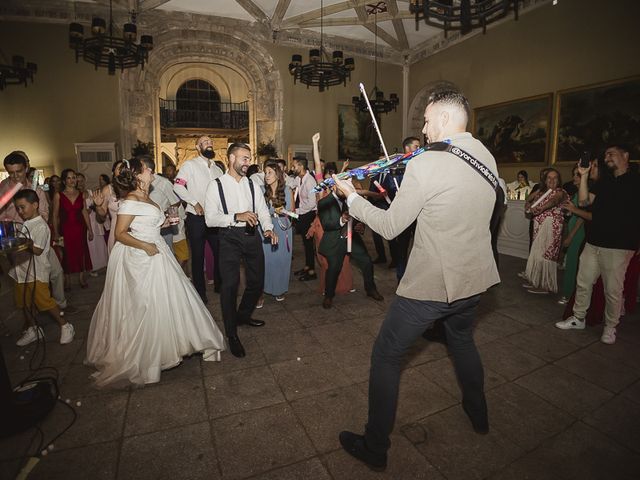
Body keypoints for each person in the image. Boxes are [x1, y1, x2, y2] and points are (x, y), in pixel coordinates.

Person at [333, 89, 500, 470]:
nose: (423, 130)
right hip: (475, 279)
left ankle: (375, 447)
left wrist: (352, 199)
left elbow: (391, 227)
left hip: (434, 283)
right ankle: (479, 413)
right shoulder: (486, 156)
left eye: (425, 120)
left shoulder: (427, 163)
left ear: (442, 119)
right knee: (461, 340)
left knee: (386, 356)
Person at [85, 156, 224, 387]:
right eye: (148, 170)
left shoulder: (146, 197)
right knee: (146, 304)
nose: (152, 172)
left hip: (158, 250)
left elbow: (145, 224)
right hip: (141, 255)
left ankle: (174, 344)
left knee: (170, 299)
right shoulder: (129, 201)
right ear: (138, 175)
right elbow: (120, 233)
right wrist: (145, 245)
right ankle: (148, 354)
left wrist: (164, 224)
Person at [556, 144, 640, 344]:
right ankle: (578, 318)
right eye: (605, 154)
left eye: (611, 153)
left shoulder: (636, 181)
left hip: (620, 246)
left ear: (626, 155)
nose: (607, 156)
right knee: (583, 282)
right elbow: (584, 203)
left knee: (612, 289)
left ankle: (611, 327)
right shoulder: (604, 182)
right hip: (593, 243)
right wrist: (584, 175)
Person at [204, 143, 277, 358]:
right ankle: (231, 334)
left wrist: (269, 228)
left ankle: (243, 315)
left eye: (249, 158)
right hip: (228, 238)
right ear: (231, 159)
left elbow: (263, 211)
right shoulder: (215, 186)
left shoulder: (253, 185)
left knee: (256, 282)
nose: (248, 163)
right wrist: (236, 216)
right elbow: (210, 219)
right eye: (244, 158)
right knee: (230, 285)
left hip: (252, 236)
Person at [0, 152, 71, 313]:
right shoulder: (3, 188)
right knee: (23, 279)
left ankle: (60, 304)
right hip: (17, 239)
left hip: (38, 235)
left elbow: (45, 212)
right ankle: (32, 315)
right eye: (11, 172)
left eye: (18, 171)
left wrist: (35, 224)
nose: (15, 176)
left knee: (56, 272)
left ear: (26, 168)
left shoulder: (36, 188)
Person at [11, 189, 75, 346]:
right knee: (25, 303)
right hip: (21, 271)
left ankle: (65, 325)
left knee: (46, 303)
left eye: (22, 207)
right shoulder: (24, 224)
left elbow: (38, 250)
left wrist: (18, 243)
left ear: (35, 205)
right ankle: (34, 330)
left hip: (36, 272)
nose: (20, 211)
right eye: (17, 208)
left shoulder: (41, 226)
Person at [173, 136, 224, 303]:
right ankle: (200, 293)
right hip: (197, 219)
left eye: (211, 142)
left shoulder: (217, 169)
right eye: (205, 142)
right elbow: (178, 186)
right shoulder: (190, 165)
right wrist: (194, 203)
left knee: (219, 253)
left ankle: (219, 284)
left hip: (214, 218)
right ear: (197, 147)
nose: (209, 144)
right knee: (198, 256)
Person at [316, 185, 384, 309]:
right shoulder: (324, 202)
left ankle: (371, 289)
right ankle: (329, 296)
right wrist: (341, 220)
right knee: (334, 268)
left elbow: (358, 217)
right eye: (341, 187)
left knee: (367, 262)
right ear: (333, 186)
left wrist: (360, 226)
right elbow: (326, 224)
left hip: (351, 238)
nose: (344, 189)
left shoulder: (351, 198)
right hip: (335, 240)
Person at [521, 168, 567, 294]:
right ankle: (536, 281)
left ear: (559, 180)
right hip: (538, 226)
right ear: (545, 180)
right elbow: (528, 202)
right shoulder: (541, 192)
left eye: (555, 178)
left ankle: (545, 285)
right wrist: (528, 206)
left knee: (545, 254)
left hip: (551, 226)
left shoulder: (560, 192)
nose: (552, 180)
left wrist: (541, 208)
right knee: (537, 253)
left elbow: (555, 201)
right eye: (549, 178)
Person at [259, 161, 294, 302]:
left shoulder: (287, 190)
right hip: (266, 228)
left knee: (281, 260)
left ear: (278, 175)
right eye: (265, 173)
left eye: (270, 173)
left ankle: (279, 289)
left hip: (283, 227)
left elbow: (292, 213)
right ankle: (261, 290)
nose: (266, 176)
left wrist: (283, 210)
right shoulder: (260, 190)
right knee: (265, 261)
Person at [52, 168, 93, 289]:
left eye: (74, 177)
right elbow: (55, 215)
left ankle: (81, 278)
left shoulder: (81, 194)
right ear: (64, 181)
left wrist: (90, 229)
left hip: (80, 228)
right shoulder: (58, 195)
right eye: (69, 178)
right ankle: (67, 279)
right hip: (66, 228)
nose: (72, 180)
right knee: (67, 254)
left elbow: (84, 212)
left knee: (81, 252)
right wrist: (56, 232)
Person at [558, 167, 587, 304]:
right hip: (573, 231)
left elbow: (582, 218)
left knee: (573, 263)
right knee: (571, 262)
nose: (574, 177)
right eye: (574, 174)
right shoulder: (577, 193)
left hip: (578, 234)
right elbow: (574, 212)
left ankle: (569, 296)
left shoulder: (585, 195)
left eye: (578, 175)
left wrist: (570, 236)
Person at [145, 155, 181, 251]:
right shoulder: (137, 183)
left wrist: (166, 217)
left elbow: (175, 202)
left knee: (165, 254)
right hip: (145, 228)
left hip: (163, 228)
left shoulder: (164, 183)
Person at [292, 156, 317, 281]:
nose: (293, 168)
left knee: (308, 243)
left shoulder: (310, 181)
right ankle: (307, 266)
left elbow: (312, 203)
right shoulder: (299, 178)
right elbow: (290, 183)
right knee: (305, 243)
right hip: (302, 214)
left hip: (308, 214)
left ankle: (312, 271)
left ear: (301, 166)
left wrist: (297, 211)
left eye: (294, 166)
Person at [77, 173, 108, 275]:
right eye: (78, 181)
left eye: (81, 180)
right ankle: (92, 267)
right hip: (85, 221)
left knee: (98, 242)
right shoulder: (76, 194)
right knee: (90, 245)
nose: (80, 183)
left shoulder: (90, 192)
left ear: (85, 180)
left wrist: (93, 207)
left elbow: (97, 204)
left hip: (94, 220)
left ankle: (102, 265)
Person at [93, 160, 125, 253]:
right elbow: (102, 216)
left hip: (133, 230)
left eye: (124, 168)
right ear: (113, 172)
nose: (122, 170)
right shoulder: (108, 189)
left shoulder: (133, 188)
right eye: (119, 168)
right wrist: (98, 206)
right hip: (116, 229)